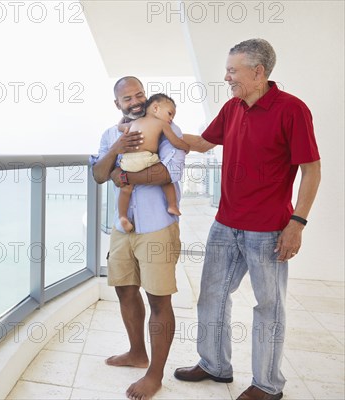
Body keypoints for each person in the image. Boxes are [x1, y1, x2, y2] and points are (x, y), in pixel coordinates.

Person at [174, 39, 321, 400]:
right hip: (225, 224)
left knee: (268, 307)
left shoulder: (292, 110)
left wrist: (297, 223)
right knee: (211, 296)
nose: (226, 77)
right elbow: (203, 143)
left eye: (232, 70)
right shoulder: (233, 107)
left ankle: (268, 386)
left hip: (269, 229)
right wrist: (159, 127)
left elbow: (312, 170)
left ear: (258, 72)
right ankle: (213, 365)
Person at [91, 76, 187, 400]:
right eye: (127, 98)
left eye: (139, 95)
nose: (135, 102)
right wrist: (118, 150)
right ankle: (136, 353)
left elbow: (166, 173)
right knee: (125, 292)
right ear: (117, 104)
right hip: (123, 228)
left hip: (158, 226)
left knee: (158, 299)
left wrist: (124, 176)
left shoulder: (165, 127)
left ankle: (155, 374)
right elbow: (98, 174)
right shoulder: (110, 135)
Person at [116, 93, 190, 233]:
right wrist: (186, 147)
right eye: (170, 114)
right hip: (146, 159)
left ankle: (123, 217)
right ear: (155, 108)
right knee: (166, 180)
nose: (171, 119)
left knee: (125, 190)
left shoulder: (134, 123)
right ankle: (172, 205)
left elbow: (120, 127)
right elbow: (175, 141)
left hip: (128, 161)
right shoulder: (161, 123)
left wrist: (121, 122)